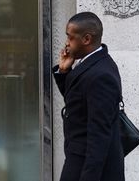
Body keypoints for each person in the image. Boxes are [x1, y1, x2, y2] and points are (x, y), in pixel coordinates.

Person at [52, 12, 125, 181]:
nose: (66, 44)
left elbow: (99, 135)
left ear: (86, 39)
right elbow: (77, 103)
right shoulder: (93, 62)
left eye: (70, 38)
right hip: (78, 156)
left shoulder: (101, 75)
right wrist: (64, 71)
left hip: (87, 165)